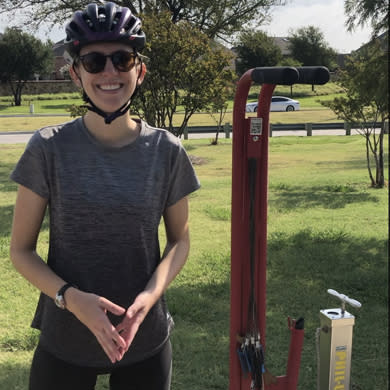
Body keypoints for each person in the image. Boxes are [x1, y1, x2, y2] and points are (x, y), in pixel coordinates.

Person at [9, 2, 200, 390]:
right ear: (76, 74)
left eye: (122, 59)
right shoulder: (47, 149)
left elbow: (179, 240)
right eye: (94, 62)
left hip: (144, 340)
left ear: (139, 70)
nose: (109, 72)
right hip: (64, 338)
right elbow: (21, 251)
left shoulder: (167, 151)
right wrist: (71, 298)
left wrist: (151, 295)